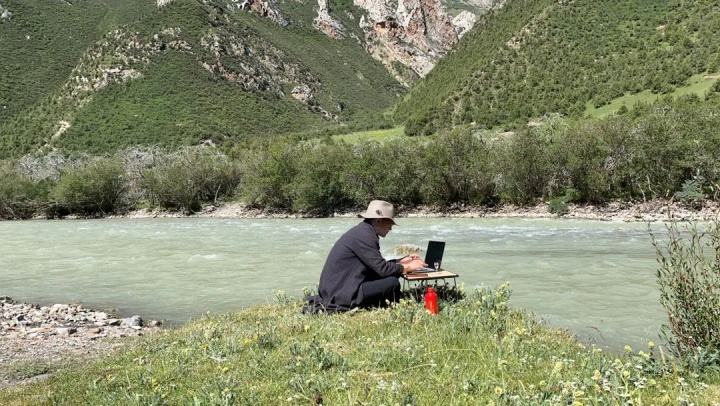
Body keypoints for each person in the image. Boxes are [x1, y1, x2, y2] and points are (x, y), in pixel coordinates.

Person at [303, 200, 426, 314]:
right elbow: (382, 270)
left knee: (389, 279)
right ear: (379, 221)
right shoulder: (365, 236)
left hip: (337, 289)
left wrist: (400, 261)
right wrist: (408, 267)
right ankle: (391, 307)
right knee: (392, 283)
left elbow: (374, 265)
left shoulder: (363, 231)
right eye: (390, 223)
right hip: (341, 293)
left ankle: (385, 304)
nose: (391, 228)